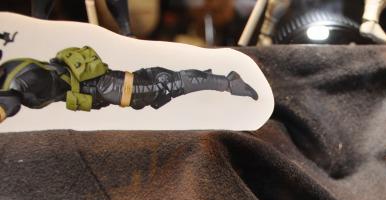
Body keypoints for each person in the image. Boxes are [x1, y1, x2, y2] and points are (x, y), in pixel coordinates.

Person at [0, 45, 257, 122]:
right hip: (100, 89)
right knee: (159, 82)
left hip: (104, 87)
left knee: (162, 86)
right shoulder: (11, 71)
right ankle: (222, 81)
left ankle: (227, 82)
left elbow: (8, 104)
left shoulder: (16, 79)